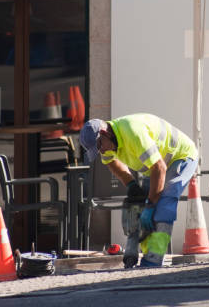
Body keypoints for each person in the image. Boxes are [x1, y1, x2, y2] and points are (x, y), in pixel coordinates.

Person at [79, 113, 198, 267]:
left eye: (100, 146)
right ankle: (140, 254)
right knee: (138, 205)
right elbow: (112, 162)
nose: (101, 151)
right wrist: (131, 185)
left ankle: (154, 258)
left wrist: (150, 205)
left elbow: (160, 168)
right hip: (155, 165)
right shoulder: (107, 142)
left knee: (165, 201)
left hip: (181, 156)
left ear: (104, 133)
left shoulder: (133, 133)